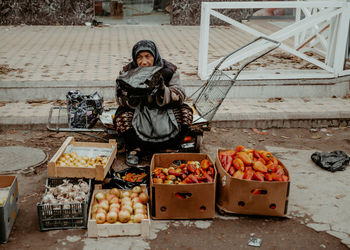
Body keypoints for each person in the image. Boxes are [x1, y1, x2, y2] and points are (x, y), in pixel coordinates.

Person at [115, 40, 193, 166]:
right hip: (139, 112)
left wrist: (163, 90)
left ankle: (171, 149)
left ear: (155, 56)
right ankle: (135, 150)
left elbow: (181, 95)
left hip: (164, 112)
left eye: (148, 56)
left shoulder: (169, 71)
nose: (143, 62)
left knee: (186, 113)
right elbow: (119, 99)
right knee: (121, 117)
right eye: (139, 57)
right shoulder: (127, 72)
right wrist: (131, 95)